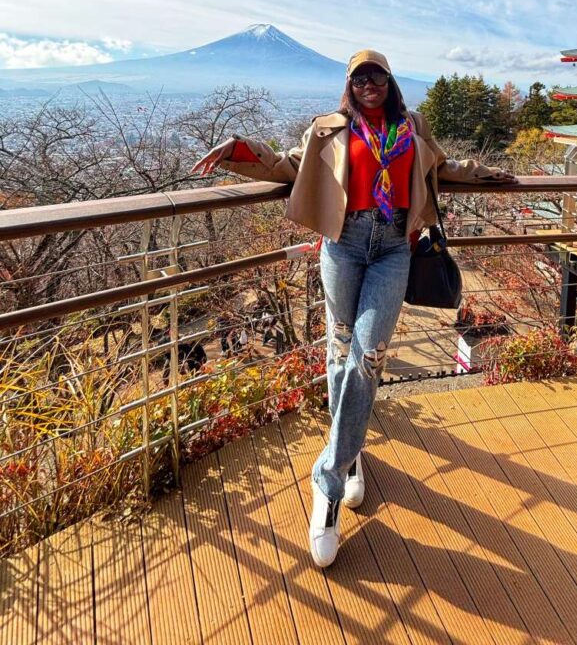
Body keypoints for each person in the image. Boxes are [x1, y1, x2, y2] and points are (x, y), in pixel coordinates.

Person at [191, 48, 515, 567]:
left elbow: (442, 167)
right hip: (343, 245)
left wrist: (489, 175)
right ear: (350, 84)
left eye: (377, 75)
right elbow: (288, 166)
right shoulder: (329, 128)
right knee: (340, 350)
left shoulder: (412, 126)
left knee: (368, 356)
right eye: (359, 77)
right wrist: (239, 150)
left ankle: (329, 480)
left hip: (394, 248)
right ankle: (351, 450)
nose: (369, 84)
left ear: (389, 80)